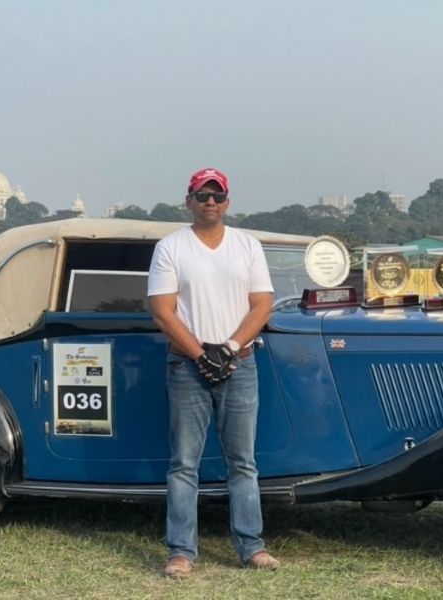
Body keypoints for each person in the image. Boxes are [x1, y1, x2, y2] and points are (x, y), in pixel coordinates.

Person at [147, 167, 280, 579]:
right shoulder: (171, 247)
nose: (210, 203)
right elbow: (162, 310)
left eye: (217, 196)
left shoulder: (247, 245)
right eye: (202, 196)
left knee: (243, 462)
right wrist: (202, 354)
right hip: (188, 365)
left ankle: (251, 546)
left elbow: (262, 304)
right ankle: (181, 552)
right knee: (184, 463)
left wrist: (228, 349)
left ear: (227, 202)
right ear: (188, 200)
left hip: (238, 363)